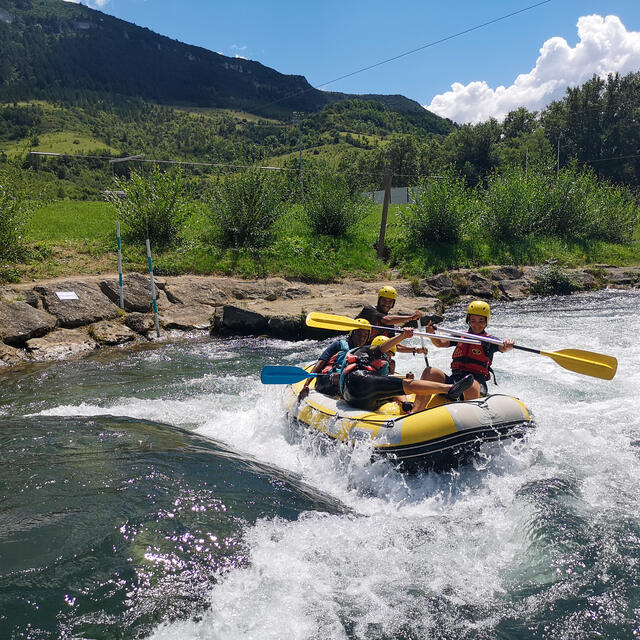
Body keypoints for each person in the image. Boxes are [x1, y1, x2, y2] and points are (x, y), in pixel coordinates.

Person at [411, 300, 514, 412]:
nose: (477, 324)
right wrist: (432, 334)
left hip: (476, 382)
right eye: (473, 321)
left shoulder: (490, 340)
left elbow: (504, 348)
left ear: (486, 322)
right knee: (430, 371)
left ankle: (471, 417)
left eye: (481, 321)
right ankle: (415, 412)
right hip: (455, 382)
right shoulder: (461, 336)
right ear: (468, 320)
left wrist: (508, 344)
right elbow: (440, 343)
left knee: (470, 383)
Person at [338, 328, 474, 412]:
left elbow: (389, 389)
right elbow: (383, 349)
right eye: (387, 355)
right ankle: (450, 389)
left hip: (361, 400)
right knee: (406, 384)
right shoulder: (369, 352)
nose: (388, 358)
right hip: (359, 383)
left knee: (399, 385)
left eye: (391, 355)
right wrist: (403, 335)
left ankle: (448, 389)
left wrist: (404, 402)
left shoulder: (382, 365)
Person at [298, 318, 371, 401]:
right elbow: (320, 363)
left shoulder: (365, 352)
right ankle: (346, 398)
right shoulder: (338, 345)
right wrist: (306, 385)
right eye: (358, 334)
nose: (361, 338)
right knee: (340, 376)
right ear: (352, 333)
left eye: (365, 336)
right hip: (325, 382)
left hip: (347, 384)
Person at [355, 286, 428, 358]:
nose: (387, 304)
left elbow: (393, 345)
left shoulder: (390, 324)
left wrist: (415, 350)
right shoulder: (369, 310)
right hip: (356, 349)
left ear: (393, 303)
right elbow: (386, 320)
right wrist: (411, 318)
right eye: (384, 300)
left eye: (390, 301)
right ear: (379, 300)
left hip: (373, 353)